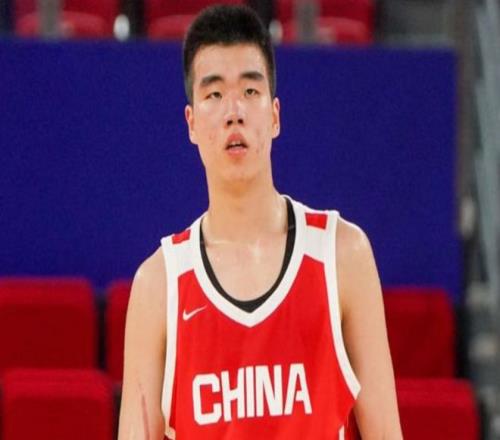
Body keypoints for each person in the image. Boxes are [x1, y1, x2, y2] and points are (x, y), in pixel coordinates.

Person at [118, 5, 402, 439]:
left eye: (250, 91)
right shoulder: (159, 285)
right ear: (191, 123)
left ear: (274, 115)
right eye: (214, 94)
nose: (234, 111)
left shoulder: (341, 256)